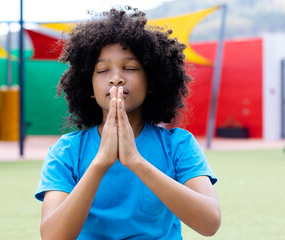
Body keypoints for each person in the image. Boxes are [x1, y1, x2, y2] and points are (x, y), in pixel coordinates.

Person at [35, 7, 221, 240]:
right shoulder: (66, 152)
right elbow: (53, 237)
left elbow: (210, 223)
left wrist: (136, 161)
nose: (115, 78)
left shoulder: (178, 146)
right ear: (89, 87)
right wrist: (101, 163)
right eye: (102, 70)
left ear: (152, 81)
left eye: (130, 68)